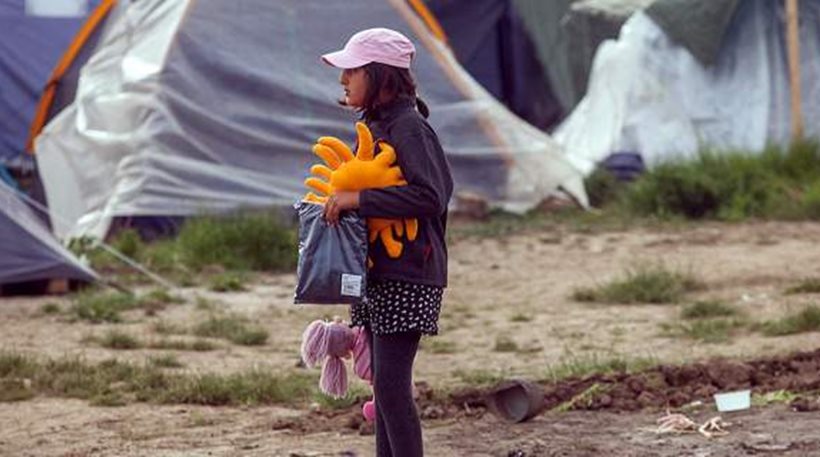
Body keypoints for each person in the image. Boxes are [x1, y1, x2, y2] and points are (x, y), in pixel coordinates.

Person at [320, 28, 453, 457]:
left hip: (409, 273)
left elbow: (431, 195)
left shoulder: (410, 128)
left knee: (393, 389)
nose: (343, 80)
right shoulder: (375, 126)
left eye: (352, 70)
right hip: (376, 273)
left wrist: (359, 198)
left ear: (380, 75)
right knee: (382, 388)